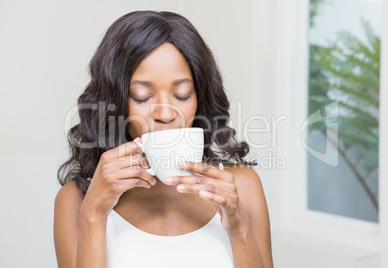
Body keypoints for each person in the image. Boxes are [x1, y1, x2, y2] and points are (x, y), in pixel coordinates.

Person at [54, 10, 273, 268]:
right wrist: (94, 213)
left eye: (181, 95)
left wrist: (238, 226)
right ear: (114, 104)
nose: (167, 114)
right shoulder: (76, 200)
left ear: (199, 99)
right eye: (143, 97)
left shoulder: (242, 186)